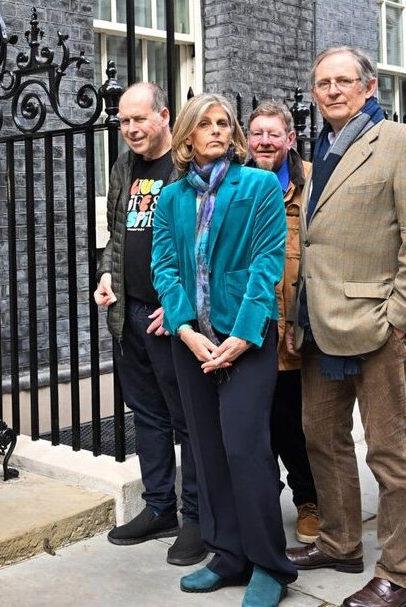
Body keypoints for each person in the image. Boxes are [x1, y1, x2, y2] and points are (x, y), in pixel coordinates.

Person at [285, 46, 406, 607]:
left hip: (377, 327)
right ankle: (339, 541)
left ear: (370, 87)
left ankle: (401, 576)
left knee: (390, 452)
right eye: (322, 82)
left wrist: (400, 321)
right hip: (318, 327)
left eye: (344, 81)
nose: (332, 90)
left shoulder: (405, 145)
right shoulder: (318, 153)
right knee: (320, 440)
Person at [152, 92, 294, 606]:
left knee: (245, 447)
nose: (215, 130)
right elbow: (165, 268)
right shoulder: (169, 198)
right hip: (192, 342)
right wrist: (186, 330)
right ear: (188, 134)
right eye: (205, 124)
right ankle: (228, 554)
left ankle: (269, 564)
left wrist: (241, 336)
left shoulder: (256, 186)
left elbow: (266, 265)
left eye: (223, 123)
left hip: (247, 339)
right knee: (206, 449)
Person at [94, 82, 205, 566]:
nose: (131, 129)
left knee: (189, 420)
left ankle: (199, 517)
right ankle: (160, 507)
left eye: (139, 119)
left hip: (172, 318)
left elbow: (207, 241)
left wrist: (181, 306)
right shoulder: (123, 167)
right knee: (150, 417)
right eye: (123, 121)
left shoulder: (187, 166)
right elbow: (116, 229)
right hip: (129, 312)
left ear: (164, 115)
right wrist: (104, 273)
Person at [245, 100, 320, 545]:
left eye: (274, 133)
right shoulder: (238, 182)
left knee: (296, 420)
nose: (265, 141)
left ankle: (309, 499)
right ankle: (260, 501)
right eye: (257, 133)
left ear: (290, 139)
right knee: (255, 420)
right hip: (250, 322)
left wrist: (302, 322)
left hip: (295, 324)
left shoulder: (310, 184)